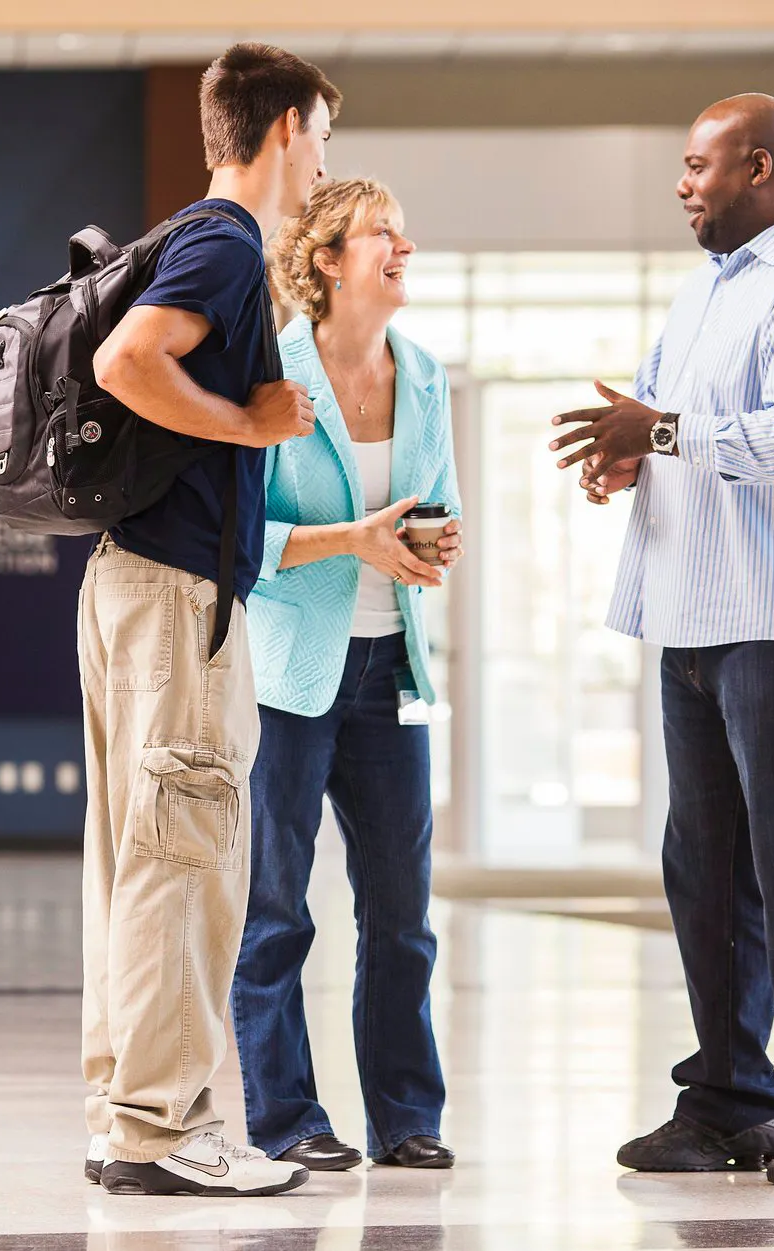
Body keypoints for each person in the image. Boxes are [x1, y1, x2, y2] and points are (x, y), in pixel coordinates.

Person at [555, 94, 774, 1186]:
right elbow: (677, 424)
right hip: (698, 618)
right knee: (707, 873)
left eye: (697, 166)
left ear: (759, 167)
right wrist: (632, 454)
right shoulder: (706, 289)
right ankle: (730, 1104)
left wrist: (657, 428)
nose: (682, 185)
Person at [77, 42, 337, 1198]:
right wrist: (247, 424)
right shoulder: (229, 244)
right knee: (185, 858)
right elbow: (128, 359)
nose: (325, 156)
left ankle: (125, 1112)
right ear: (283, 126)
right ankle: (166, 1125)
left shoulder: (192, 234)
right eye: (323, 133)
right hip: (181, 595)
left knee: (139, 858)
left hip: (132, 584)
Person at [231, 178, 464, 1175]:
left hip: (394, 675)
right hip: (290, 681)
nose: (403, 248)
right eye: (383, 235)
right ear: (327, 259)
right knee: (279, 910)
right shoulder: (271, 375)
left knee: (402, 917)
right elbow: (244, 537)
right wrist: (358, 543)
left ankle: (406, 1118)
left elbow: (437, 504)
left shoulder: (422, 376)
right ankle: (286, 1119)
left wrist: (428, 543)